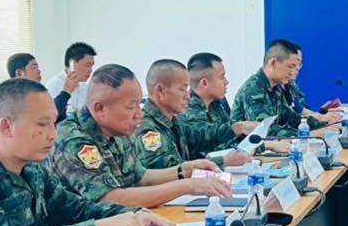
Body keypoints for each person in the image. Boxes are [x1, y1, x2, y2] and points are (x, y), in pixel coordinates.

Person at [0, 79, 178, 226]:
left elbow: (75, 209)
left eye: (53, 123)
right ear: (6, 127)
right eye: (42, 124)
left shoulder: (32, 169)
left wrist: (133, 215)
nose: (53, 134)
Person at [52, 64, 232, 207]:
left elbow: (141, 177)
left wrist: (185, 170)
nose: (139, 114)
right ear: (100, 109)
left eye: (139, 104)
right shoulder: (73, 140)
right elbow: (109, 199)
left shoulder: (118, 130)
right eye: (131, 107)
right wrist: (187, 186)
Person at [231, 39, 340, 138]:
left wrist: (326, 125)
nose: (294, 72)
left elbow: (292, 119)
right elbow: (265, 131)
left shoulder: (276, 88)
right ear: (273, 63)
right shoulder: (253, 90)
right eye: (290, 66)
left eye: (297, 66)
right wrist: (310, 134)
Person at [138, 59, 233, 171]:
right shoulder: (147, 128)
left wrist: (234, 129)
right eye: (182, 89)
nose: (188, 97)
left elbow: (197, 139)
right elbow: (166, 171)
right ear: (160, 91)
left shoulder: (173, 120)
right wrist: (222, 161)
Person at [181, 52, 257, 157]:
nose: (226, 82)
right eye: (222, 77)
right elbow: (204, 142)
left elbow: (231, 141)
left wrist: (263, 145)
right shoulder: (187, 107)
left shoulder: (215, 105)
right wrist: (237, 128)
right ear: (204, 83)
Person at [45, 42, 97, 120]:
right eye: (87, 65)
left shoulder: (85, 87)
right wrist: (67, 91)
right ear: (71, 63)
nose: (90, 70)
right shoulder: (53, 85)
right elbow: (50, 116)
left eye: (92, 66)